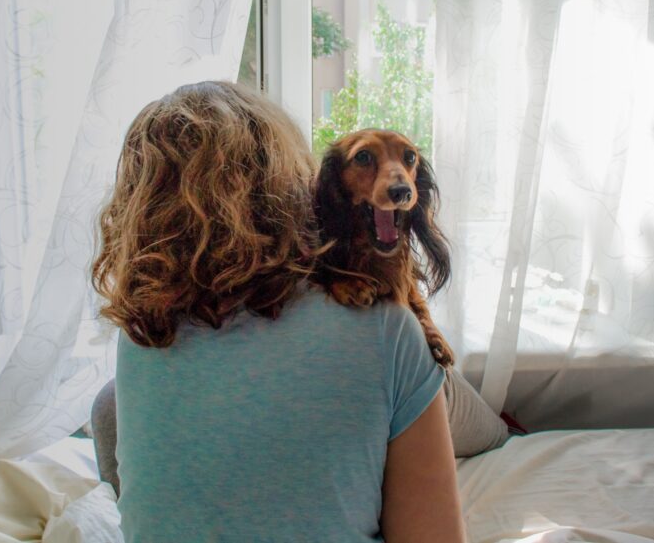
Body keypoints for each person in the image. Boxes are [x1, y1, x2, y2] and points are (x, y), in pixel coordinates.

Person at [92, 81, 467, 543]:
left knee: (106, 407)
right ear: (290, 183)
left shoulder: (140, 340)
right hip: (385, 371)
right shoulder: (383, 328)